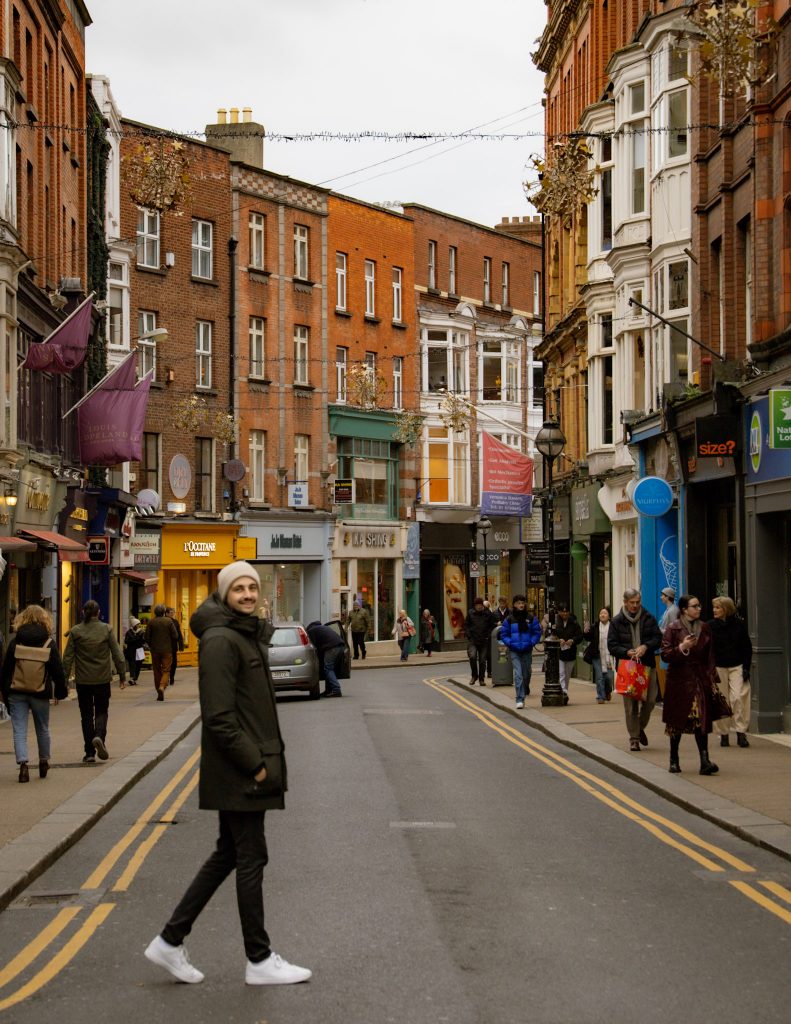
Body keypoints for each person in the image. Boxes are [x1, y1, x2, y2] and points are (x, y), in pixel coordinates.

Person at [144, 560, 311, 986]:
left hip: (242, 768)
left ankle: (170, 939)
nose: (248, 595)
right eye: (238, 589)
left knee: (229, 854)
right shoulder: (221, 640)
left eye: (252, 588)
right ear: (223, 594)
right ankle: (259, 959)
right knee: (251, 857)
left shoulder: (242, 633)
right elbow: (219, 716)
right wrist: (255, 765)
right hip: (241, 770)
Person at [661, 594, 729, 775]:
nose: (699, 609)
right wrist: (682, 647)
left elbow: (710, 655)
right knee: (676, 722)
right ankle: (673, 760)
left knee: (702, 719)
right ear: (684, 609)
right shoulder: (673, 628)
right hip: (679, 680)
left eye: (699, 606)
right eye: (694, 606)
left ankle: (705, 761)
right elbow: (665, 654)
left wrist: (711, 676)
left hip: (700, 678)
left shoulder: (705, 628)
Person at [0, 605, 67, 782]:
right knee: (43, 728)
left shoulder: (16, 641)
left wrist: (5, 693)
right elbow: (57, 670)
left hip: (17, 691)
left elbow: (6, 670)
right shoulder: (48, 643)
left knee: (19, 730)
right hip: (40, 692)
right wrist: (60, 692)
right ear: (44, 619)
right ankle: (44, 761)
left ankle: (23, 765)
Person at [62, 600, 126, 763]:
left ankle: (89, 752)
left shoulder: (76, 631)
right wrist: (122, 675)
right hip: (102, 679)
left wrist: (64, 680)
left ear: (84, 613)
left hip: (83, 681)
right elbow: (117, 654)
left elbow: (67, 657)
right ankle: (99, 736)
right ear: (98, 613)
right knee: (102, 711)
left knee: (86, 715)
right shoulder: (106, 629)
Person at [608, 588, 662, 752]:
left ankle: (639, 728)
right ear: (625, 602)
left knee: (651, 701)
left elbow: (657, 638)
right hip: (627, 668)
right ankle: (634, 738)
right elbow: (612, 646)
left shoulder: (648, 618)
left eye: (638, 602)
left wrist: (646, 646)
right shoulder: (616, 622)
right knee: (631, 706)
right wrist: (626, 652)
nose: (635, 605)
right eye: (632, 603)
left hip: (647, 666)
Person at [708, 596, 752, 749]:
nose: (714, 610)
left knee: (738, 697)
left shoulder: (738, 625)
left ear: (726, 609)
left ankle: (741, 732)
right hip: (718, 667)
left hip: (736, 666)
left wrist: (746, 667)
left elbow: (747, 647)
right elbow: (707, 649)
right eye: (714, 607)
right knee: (722, 701)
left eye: (718, 607)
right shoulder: (710, 626)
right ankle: (724, 734)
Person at [499, 595, 542, 709]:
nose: (521, 605)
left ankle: (525, 687)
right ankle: (519, 699)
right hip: (514, 650)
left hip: (527, 650)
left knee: (526, 673)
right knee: (518, 674)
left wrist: (531, 642)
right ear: (514, 605)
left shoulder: (531, 618)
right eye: (518, 603)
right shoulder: (509, 619)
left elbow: (537, 632)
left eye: (522, 603)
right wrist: (511, 643)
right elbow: (504, 634)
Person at [145, 603, 178, 700]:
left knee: (156, 671)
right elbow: (175, 636)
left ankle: (158, 691)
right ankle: (162, 686)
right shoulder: (169, 621)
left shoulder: (151, 622)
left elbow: (146, 637)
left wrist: (151, 644)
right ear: (164, 612)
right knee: (166, 670)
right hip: (167, 650)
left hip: (155, 650)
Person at [306, 620, 346, 697]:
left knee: (328, 668)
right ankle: (329, 690)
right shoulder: (322, 627)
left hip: (332, 648)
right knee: (330, 669)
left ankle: (336, 690)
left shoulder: (311, 631)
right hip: (341, 647)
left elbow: (314, 647)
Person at [584, 607, 615, 704]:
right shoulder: (595, 626)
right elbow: (588, 638)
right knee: (599, 677)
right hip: (597, 655)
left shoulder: (613, 626)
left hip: (609, 655)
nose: (602, 615)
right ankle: (600, 697)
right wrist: (586, 631)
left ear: (609, 616)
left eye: (605, 613)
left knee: (609, 677)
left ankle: (607, 691)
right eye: (601, 613)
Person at [553, 602, 583, 703]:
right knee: (561, 673)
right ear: (559, 612)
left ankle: (565, 690)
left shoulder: (573, 622)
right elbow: (550, 634)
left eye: (566, 612)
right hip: (559, 652)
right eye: (562, 612)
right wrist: (558, 640)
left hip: (570, 652)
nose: (565, 614)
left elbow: (579, 636)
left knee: (567, 674)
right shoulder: (556, 622)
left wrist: (572, 640)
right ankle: (563, 692)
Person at [464, 596, 496, 686]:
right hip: (473, 640)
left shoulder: (487, 613)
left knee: (482, 660)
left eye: (480, 605)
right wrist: (469, 635)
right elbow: (466, 625)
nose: (479, 607)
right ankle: (474, 676)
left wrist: (488, 636)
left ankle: (481, 679)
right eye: (477, 605)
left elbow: (492, 625)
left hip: (484, 640)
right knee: (472, 657)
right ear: (475, 606)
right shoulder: (470, 613)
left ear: (482, 605)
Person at [123, 616, 146, 685]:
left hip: (139, 650)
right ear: (134, 625)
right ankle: (132, 678)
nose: (139, 625)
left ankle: (135, 678)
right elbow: (126, 641)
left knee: (138, 665)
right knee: (132, 664)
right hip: (131, 651)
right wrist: (136, 639)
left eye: (139, 624)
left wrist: (137, 639)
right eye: (138, 624)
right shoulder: (129, 632)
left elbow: (143, 641)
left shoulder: (141, 632)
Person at [166, 607, 185, 686]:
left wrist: (181, 645)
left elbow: (179, 634)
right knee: (166, 663)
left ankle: (172, 677)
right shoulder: (164, 621)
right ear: (166, 613)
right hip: (166, 646)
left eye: (173, 612)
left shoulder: (176, 622)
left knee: (174, 663)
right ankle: (166, 678)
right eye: (171, 612)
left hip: (173, 646)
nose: (172, 614)